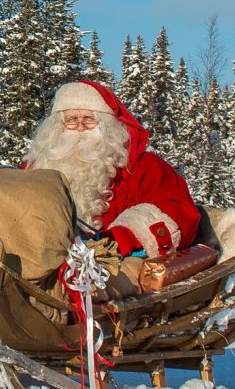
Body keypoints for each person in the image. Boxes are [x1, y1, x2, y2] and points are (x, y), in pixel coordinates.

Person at [22, 80, 200, 262]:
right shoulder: (35, 168)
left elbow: (180, 211)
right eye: (71, 120)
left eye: (89, 119)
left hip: (115, 271)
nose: (80, 127)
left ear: (107, 125)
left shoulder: (145, 167)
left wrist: (123, 238)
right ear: (57, 127)